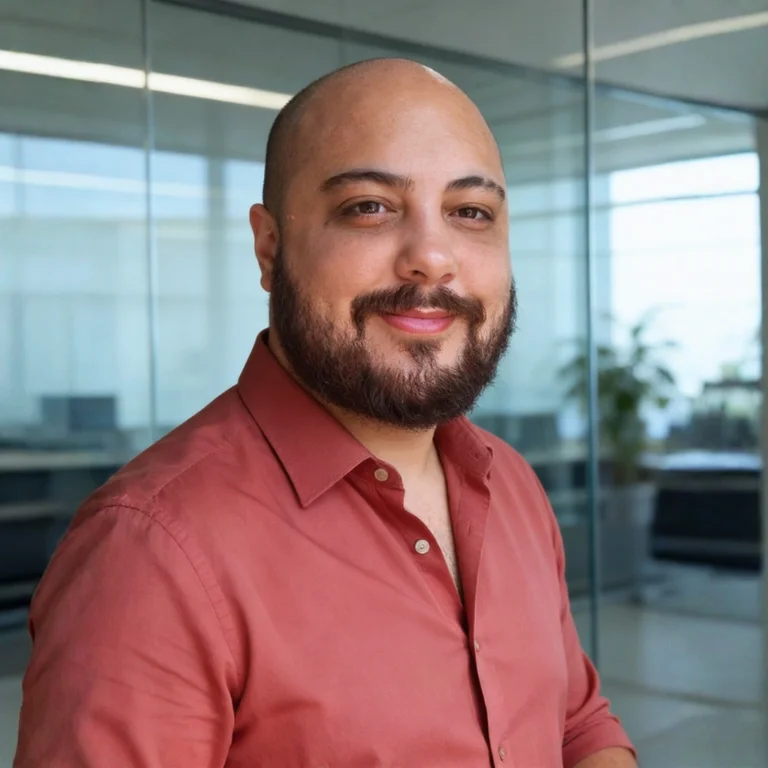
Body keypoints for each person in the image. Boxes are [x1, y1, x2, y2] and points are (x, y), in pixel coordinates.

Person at [14, 58, 636, 768]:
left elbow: (576, 724)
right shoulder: (150, 553)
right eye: (369, 206)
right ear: (269, 248)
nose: (432, 259)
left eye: (471, 213)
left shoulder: (514, 487)